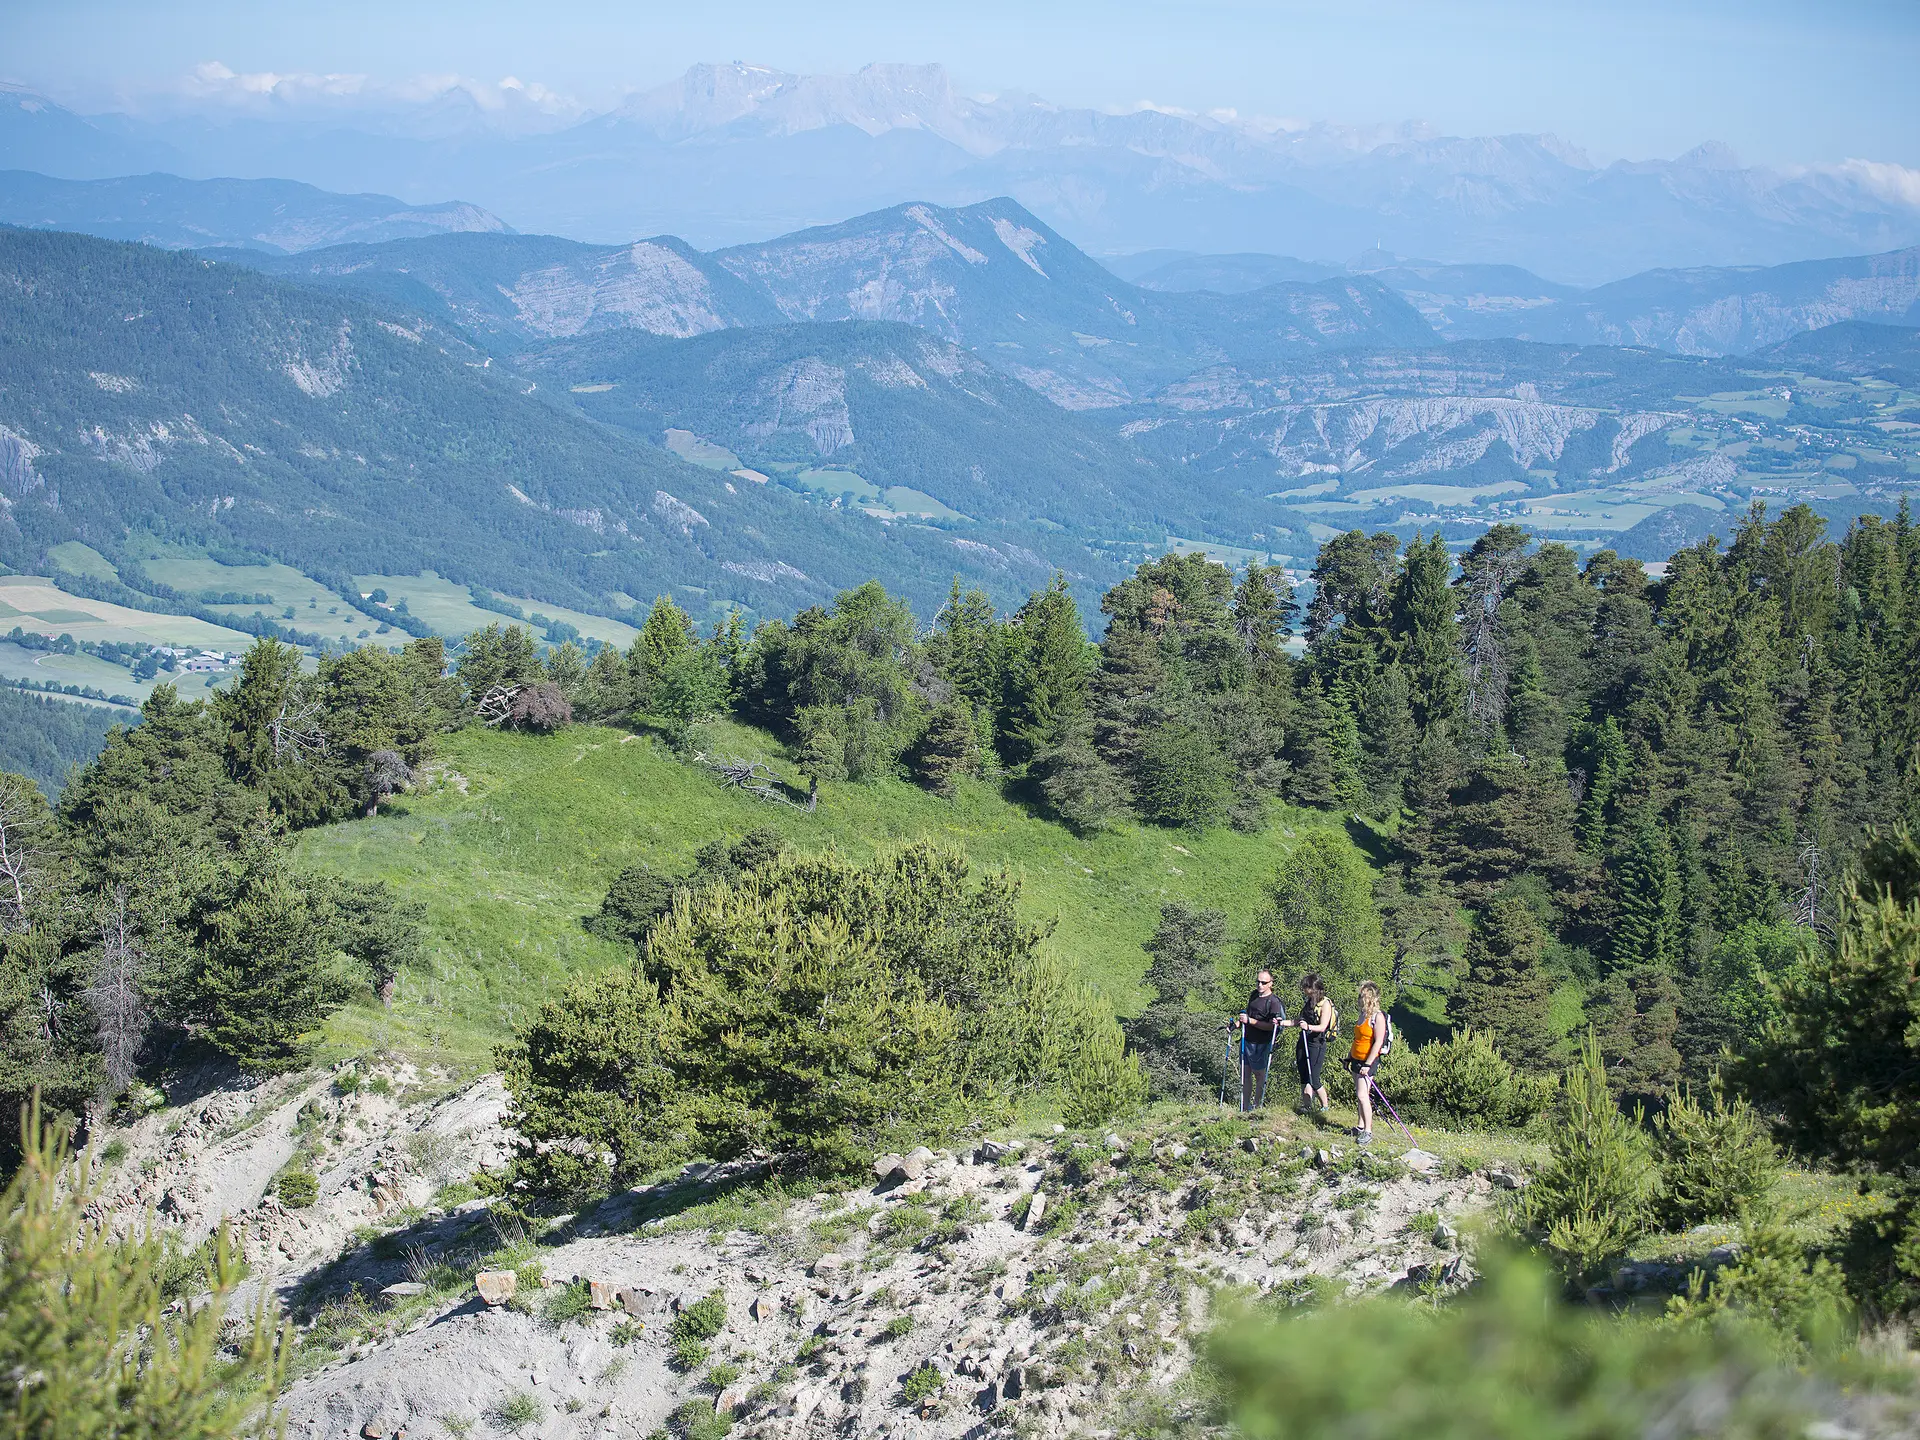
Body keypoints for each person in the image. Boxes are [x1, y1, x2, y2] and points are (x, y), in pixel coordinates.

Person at [1234, 969, 1286, 1113]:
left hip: (1262, 1043)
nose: (1260, 985)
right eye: (1258, 981)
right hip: (1247, 1040)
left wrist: (1250, 1021)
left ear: (1271, 984)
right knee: (1245, 1074)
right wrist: (1237, 1025)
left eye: (1264, 982)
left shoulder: (1274, 1002)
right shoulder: (1254, 995)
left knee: (1259, 1075)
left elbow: (1271, 1027)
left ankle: (1257, 1106)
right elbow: (1247, 1015)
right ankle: (1244, 1107)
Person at [1282, 972, 1335, 1113]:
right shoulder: (1309, 1002)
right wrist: (1282, 1023)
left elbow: (1323, 1026)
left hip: (1317, 1043)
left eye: (1307, 987)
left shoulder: (1325, 1004)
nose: (1305, 990)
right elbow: (1299, 1021)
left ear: (1314, 988)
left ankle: (1325, 1106)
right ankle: (1307, 1106)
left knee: (1314, 1077)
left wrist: (1309, 1027)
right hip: (1303, 1040)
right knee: (1304, 1075)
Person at [1345, 981, 1387, 1145]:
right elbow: (1357, 1039)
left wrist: (1368, 1064)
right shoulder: (1362, 1015)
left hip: (1367, 1061)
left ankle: (1368, 1131)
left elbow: (1378, 1042)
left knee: (1363, 1095)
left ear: (1369, 998)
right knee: (1359, 1093)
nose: (1359, 998)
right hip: (1356, 1058)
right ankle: (1360, 1126)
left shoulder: (1378, 1017)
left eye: (1362, 996)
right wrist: (1349, 1057)